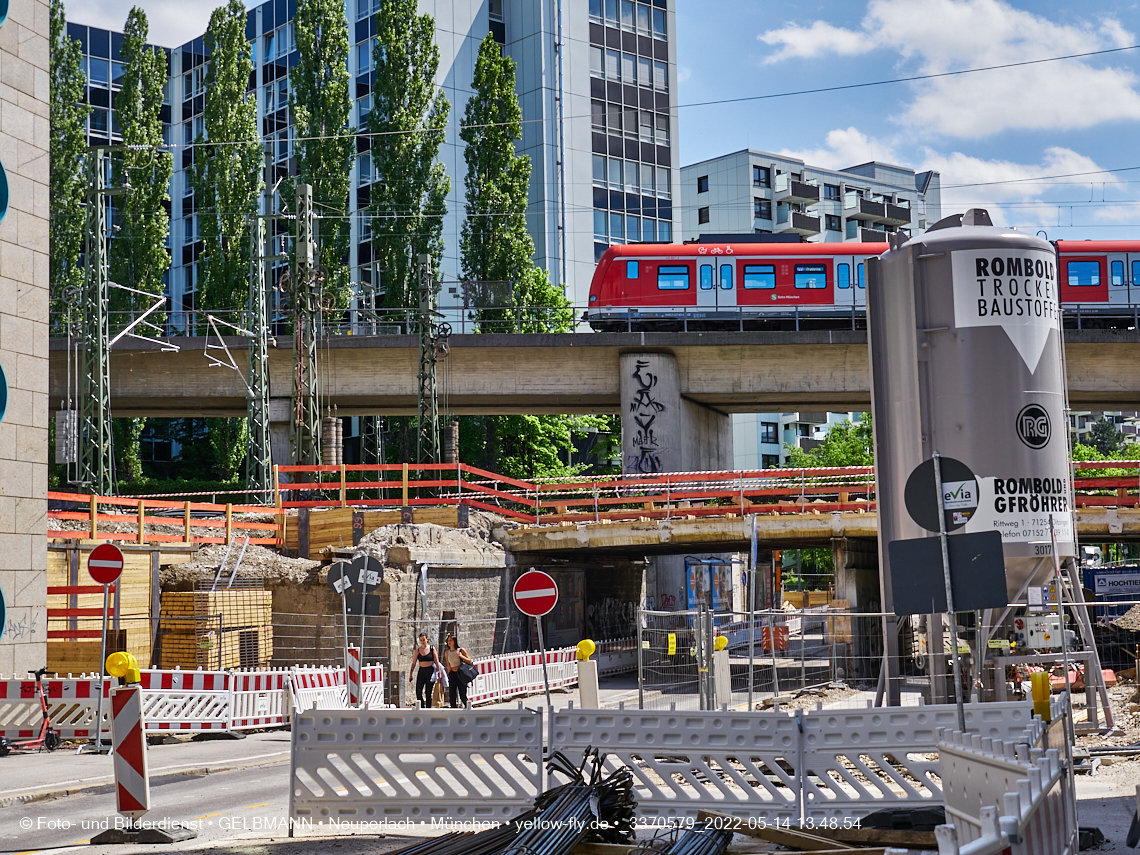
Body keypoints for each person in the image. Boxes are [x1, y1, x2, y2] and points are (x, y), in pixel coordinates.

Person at [408, 632, 440, 708]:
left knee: (428, 692)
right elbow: (413, 663)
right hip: (421, 671)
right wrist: (410, 674)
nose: (422, 641)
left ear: (427, 639)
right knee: (418, 691)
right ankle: (422, 707)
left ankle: (428, 708)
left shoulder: (432, 649)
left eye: (424, 640)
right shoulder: (418, 650)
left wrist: (439, 672)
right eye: (421, 640)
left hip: (430, 671)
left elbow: (436, 661)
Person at [443, 633, 473, 708]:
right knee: (452, 695)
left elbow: (469, 661)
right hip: (452, 674)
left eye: (451, 640)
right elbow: (448, 664)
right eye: (448, 640)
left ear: (454, 641)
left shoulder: (460, 650)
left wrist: (461, 656)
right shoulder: (447, 653)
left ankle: (469, 708)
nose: (449, 642)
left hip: (460, 674)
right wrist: (448, 675)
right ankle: (454, 712)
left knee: (462, 695)